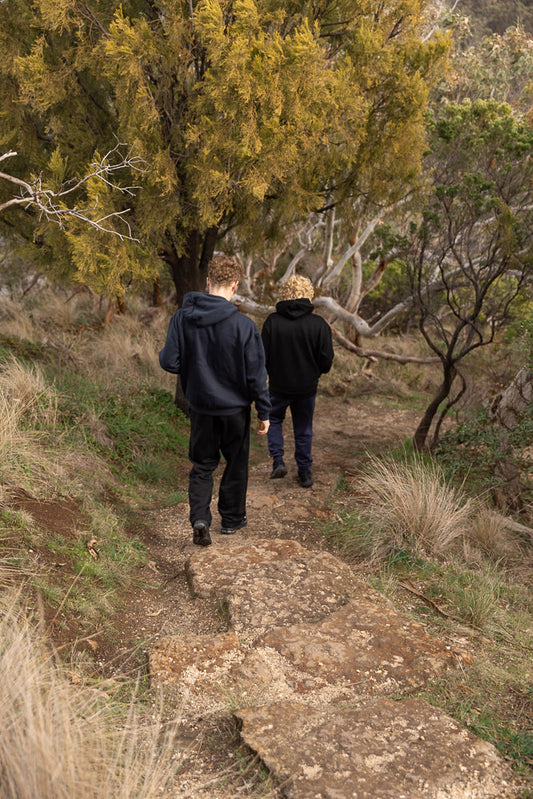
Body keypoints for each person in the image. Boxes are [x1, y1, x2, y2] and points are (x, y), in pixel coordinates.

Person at [159, 255, 270, 546]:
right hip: (235, 410)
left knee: (202, 465)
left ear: (208, 282)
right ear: (235, 285)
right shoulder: (244, 326)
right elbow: (256, 376)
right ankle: (231, 520)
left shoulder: (182, 318)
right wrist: (264, 411)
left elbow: (169, 361)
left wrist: (194, 367)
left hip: (201, 408)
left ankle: (200, 519)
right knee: (236, 463)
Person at [261, 274, 334, 488]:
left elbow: (262, 356)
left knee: (274, 420)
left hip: (278, 386)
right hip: (306, 387)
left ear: (284, 294)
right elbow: (326, 360)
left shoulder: (272, 322)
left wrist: (272, 372)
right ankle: (304, 472)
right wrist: (316, 373)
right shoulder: (319, 325)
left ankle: (278, 461)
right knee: (303, 428)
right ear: (309, 295)